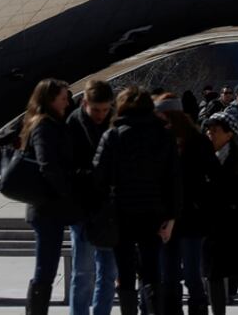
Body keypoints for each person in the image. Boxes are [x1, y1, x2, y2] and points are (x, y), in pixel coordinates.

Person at [93, 87, 181, 315]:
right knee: (152, 271)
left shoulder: (113, 135)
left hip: (121, 211)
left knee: (125, 272)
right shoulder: (164, 135)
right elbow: (173, 180)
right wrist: (171, 217)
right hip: (154, 211)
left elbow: (99, 177)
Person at [21, 79, 83, 315]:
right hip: (47, 208)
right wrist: (66, 190)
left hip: (50, 207)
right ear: (50, 99)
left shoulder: (53, 123)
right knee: (46, 268)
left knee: (47, 266)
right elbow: (48, 165)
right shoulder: (44, 126)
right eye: (63, 98)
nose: (68, 101)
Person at [155, 93, 217, 315]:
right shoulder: (162, 140)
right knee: (170, 276)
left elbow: (212, 177)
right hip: (171, 216)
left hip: (190, 216)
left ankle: (195, 308)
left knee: (190, 275)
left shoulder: (196, 142)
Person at [66, 80, 118, 315]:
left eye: (105, 109)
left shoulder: (114, 124)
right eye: (96, 110)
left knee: (108, 273)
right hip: (83, 209)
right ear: (85, 103)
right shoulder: (74, 124)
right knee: (83, 273)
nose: (101, 115)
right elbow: (67, 168)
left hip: (108, 210)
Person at [202, 112, 238, 315]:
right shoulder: (204, 159)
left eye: (215, 131)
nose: (210, 135)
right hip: (213, 226)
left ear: (229, 134)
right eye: (208, 131)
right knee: (214, 274)